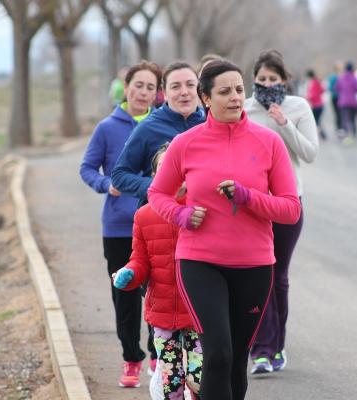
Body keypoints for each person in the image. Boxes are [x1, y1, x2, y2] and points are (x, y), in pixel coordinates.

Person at [148, 59, 302, 400]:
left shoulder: (269, 143)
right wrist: (182, 215)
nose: (235, 97)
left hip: (254, 265)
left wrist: (249, 198)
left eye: (239, 90)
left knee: (235, 364)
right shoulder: (185, 144)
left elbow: (291, 209)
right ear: (206, 98)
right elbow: (157, 193)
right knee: (217, 353)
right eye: (224, 91)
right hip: (200, 262)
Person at [79, 60, 162, 389]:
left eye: (150, 87)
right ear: (126, 88)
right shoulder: (106, 128)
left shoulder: (161, 125)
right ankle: (132, 359)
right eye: (138, 85)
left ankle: (160, 355)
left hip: (158, 223)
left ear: (158, 94)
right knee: (125, 297)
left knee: (158, 294)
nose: (143, 92)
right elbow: (87, 169)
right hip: (118, 227)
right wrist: (106, 185)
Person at [244, 51, 318, 375]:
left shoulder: (298, 107)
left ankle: (277, 346)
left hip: (288, 203)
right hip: (252, 205)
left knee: (278, 278)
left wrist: (284, 124)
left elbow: (309, 153)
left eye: (274, 79)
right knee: (259, 277)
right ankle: (261, 350)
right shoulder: (244, 108)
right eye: (262, 79)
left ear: (284, 81)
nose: (267, 84)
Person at [112, 144, 202, 400]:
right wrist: (128, 275)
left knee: (200, 380)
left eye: (179, 168)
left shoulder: (202, 211)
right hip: (162, 314)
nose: (173, 174)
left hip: (199, 312)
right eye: (165, 169)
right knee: (172, 383)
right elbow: (139, 261)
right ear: (154, 177)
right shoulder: (144, 216)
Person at [111, 61, 205, 206]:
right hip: (160, 218)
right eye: (175, 86)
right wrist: (158, 185)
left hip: (205, 216)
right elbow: (119, 176)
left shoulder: (211, 123)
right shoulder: (148, 128)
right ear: (164, 93)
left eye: (190, 85)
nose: (184, 92)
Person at [335, 61, 357, 143]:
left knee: (344, 118)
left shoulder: (341, 78)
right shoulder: (354, 78)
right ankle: (353, 133)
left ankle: (345, 133)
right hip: (353, 101)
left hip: (343, 101)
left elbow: (337, 88)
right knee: (352, 118)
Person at [306, 69, 326, 140]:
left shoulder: (313, 83)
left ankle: (320, 136)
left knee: (315, 122)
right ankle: (323, 135)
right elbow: (322, 90)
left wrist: (307, 98)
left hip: (316, 105)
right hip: (321, 104)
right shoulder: (318, 81)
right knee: (317, 121)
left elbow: (313, 95)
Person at [328, 61, 343, 133]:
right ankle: (339, 128)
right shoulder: (338, 77)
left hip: (336, 97)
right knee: (339, 113)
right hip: (338, 97)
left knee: (338, 113)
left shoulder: (333, 77)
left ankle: (339, 128)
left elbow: (330, 88)